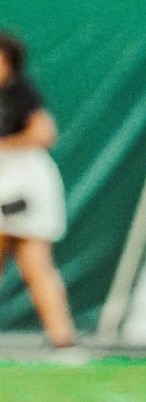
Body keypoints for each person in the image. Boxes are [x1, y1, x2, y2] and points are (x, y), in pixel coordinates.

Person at [0, 32, 75, 348]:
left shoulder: (20, 91)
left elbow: (44, 133)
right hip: (7, 183)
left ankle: (62, 337)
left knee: (37, 264)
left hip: (26, 188)